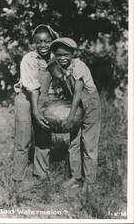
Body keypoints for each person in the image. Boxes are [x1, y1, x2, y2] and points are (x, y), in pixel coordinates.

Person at [48, 37, 101, 192]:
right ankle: (76, 177)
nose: (62, 58)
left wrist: (70, 119)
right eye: (58, 55)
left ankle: (89, 182)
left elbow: (77, 94)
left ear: (72, 53)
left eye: (66, 54)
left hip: (89, 105)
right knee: (74, 142)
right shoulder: (61, 67)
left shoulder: (79, 66)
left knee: (88, 144)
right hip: (76, 107)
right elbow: (66, 91)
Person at [12, 24, 59, 188]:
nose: (43, 45)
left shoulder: (56, 59)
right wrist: (36, 112)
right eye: (39, 41)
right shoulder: (28, 59)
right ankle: (17, 178)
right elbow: (32, 88)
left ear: (52, 41)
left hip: (45, 99)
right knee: (23, 139)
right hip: (26, 99)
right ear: (34, 43)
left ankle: (41, 174)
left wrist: (50, 107)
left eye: (47, 41)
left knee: (44, 137)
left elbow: (55, 84)